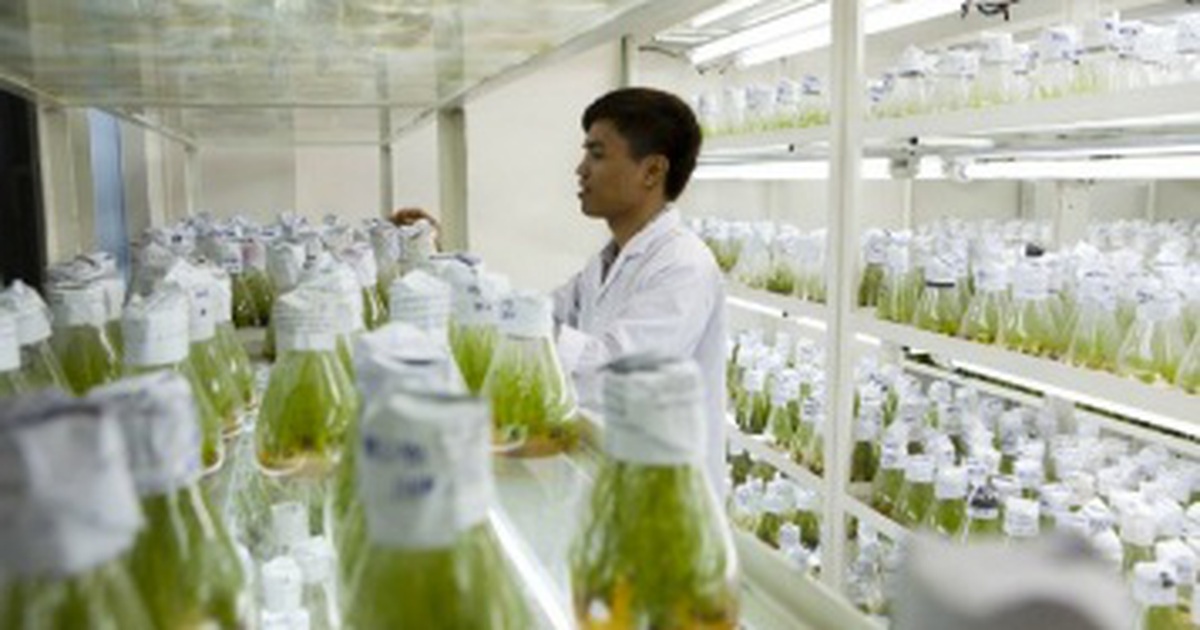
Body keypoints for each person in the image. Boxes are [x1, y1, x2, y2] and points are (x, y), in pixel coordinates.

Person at [552, 87, 727, 491]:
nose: (580, 170)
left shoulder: (684, 266)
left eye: (596, 154)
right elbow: (545, 313)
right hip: (610, 480)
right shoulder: (607, 260)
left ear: (652, 171)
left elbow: (615, 377)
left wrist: (523, 328)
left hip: (663, 499)